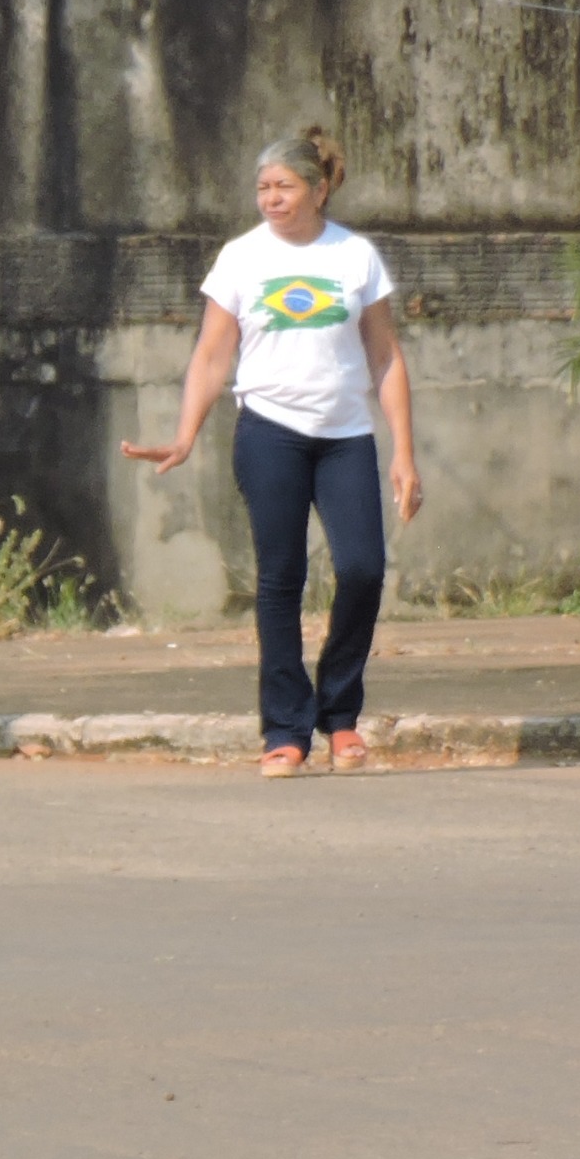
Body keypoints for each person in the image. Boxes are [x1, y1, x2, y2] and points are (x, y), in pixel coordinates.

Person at [123, 125, 421, 776]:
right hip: (268, 431)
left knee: (364, 570)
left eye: (285, 186)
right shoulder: (240, 258)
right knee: (280, 580)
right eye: (262, 188)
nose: (271, 199)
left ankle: (340, 715)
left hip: (345, 435)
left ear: (318, 190)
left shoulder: (355, 257)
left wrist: (403, 451)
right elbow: (211, 356)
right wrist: (183, 434)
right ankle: (285, 730)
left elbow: (385, 355)